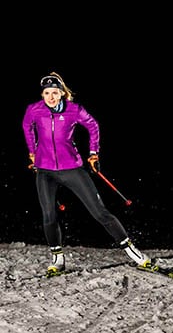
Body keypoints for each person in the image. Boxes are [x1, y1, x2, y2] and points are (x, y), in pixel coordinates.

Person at [22, 72, 153, 277]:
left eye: (55, 92)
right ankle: (57, 259)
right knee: (49, 216)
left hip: (72, 168)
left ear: (62, 93)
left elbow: (93, 125)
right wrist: (32, 151)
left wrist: (93, 153)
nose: (50, 97)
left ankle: (133, 253)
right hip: (45, 171)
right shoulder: (34, 109)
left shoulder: (74, 110)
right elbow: (26, 126)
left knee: (99, 212)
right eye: (46, 93)